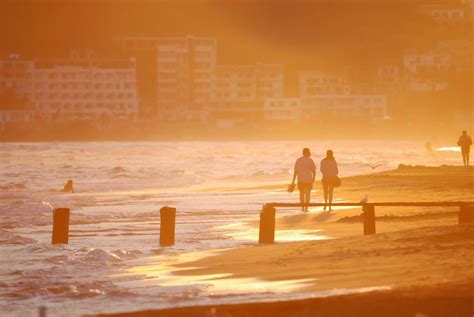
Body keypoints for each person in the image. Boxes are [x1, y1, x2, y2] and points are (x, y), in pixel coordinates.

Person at [290, 148, 316, 212]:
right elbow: (314, 171)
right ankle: (306, 208)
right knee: (308, 194)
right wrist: (313, 178)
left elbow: (295, 171)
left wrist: (293, 180)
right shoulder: (310, 160)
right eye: (309, 152)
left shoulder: (298, 160)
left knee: (301, 193)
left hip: (301, 179)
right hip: (308, 179)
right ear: (306, 152)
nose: (310, 153)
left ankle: (302, 208)